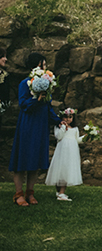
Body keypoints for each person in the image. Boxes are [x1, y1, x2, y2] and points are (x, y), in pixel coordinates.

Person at [9, 52, 62, 206]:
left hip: (40, 124)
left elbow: (48, 107)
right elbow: (23, 105)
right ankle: (18, 194)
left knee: (35, 158)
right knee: (22, 157)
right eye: (44, 64)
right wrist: (36, 100)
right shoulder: (24, 83)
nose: (46, 67)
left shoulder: (47, 84)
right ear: (38, 65)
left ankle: (30, 193)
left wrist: (58, 121)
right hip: (27, 123)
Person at [45, 108, 85, 201]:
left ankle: (62, 192)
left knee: (67, 170)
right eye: (66, 117)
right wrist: (63, 127)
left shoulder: (75, 129)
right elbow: (59, 136)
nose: (68, 119)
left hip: (72, 151)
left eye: (70, 117)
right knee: (60, 169)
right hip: (62, 151)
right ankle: (59, 192)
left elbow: (77, 140)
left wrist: (85, 137)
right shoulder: (58, 127)